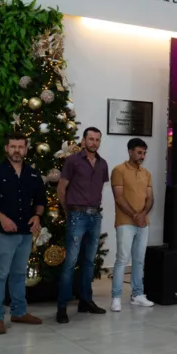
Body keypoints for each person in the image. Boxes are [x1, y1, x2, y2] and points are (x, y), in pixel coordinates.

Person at [0, 132, 46, 334]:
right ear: (6, 148)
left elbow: (41, 200)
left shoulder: (32, 174)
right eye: (13, 146)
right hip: (2, 233)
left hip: (25, 234)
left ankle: (19, 312)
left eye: (20, 147)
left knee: (19, 274)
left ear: (26, 148)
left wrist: (37, 216)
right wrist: (2, 218)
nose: (17, 150)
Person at [56, 127, 109, 324]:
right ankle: (62, 307)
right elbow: (61, 189)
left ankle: (85, 301)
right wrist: (68, 212)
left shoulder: (103, 164)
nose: (94, 142)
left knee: (88, 262)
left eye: (97, 139)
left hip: (95, 217)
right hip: (77, 215)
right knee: (70, 263)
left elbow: (99, 188)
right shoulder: (72, 161)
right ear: (84, 140)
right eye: (91, 139)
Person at [109, 138, 155, 311]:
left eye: (144, 153)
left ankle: (137, 294)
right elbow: (119, 197)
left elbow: (150, 198)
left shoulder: (146, 173)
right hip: (125, 223)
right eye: (139, 152)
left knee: (139, 260)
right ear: (130, 151)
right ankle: (116, 297)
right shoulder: (119, 170)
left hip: (143, 223)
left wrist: (143, 214)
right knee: (122, 259)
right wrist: (135, 215)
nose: (142, 156)